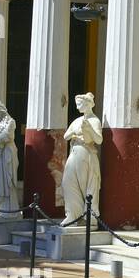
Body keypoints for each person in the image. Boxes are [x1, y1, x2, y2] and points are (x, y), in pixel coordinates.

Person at [61, 93, 102, 224]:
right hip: (74, 154)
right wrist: (75, 133)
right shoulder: (77, 121)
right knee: (67, 183)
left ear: (88, 104)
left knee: (87, 187)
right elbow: (66, 136)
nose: (78, 107)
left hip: (87, 154)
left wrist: (89, 129)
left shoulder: (95, 121)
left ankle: (89, 217)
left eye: (80, 104)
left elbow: (99, 140)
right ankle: (73, 214)